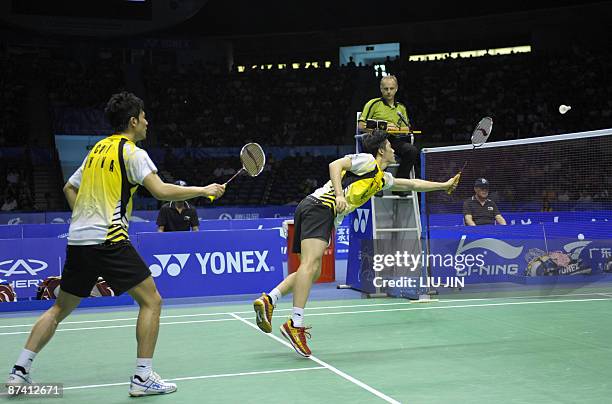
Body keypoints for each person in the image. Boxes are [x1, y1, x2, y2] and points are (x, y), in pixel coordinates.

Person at [6, 92, 225, 397]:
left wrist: (84, 215)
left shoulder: (96, 150)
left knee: (59, 307)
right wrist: (204, 190)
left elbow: (69, 186)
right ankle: (143, 377)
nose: (147, 121)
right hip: (109, 238)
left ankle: (19, 371)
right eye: (144, 116)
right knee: (152, 301)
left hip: (80, 239)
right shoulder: (133, 153)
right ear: (133, 121)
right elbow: (160, 191)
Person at [253, 130, 459, 357]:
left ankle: (269, 299)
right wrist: (340, 195)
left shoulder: (381, 178)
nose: (393, 149)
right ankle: (295, 324)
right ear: (381, 149)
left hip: (315, 208)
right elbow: (335, 165)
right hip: (322, 207)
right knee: (310, 266)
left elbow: (411, 184)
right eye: (390, 145)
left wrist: (443, 185)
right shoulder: (367, 160)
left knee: (310, 270)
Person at [358, 75, 418, 181]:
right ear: (381, 89)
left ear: (396, 89)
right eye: (386, 89)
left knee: (412, 151)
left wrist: (397, 130)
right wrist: (384, 127)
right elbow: (361, 126)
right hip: (375, 139)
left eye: (391, 88)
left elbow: (406, 130)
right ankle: (377, 182)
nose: (389, 92)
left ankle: (400, 183)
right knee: (382, 139)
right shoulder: (373, 104)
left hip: (393, 139)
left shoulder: (401, 108)